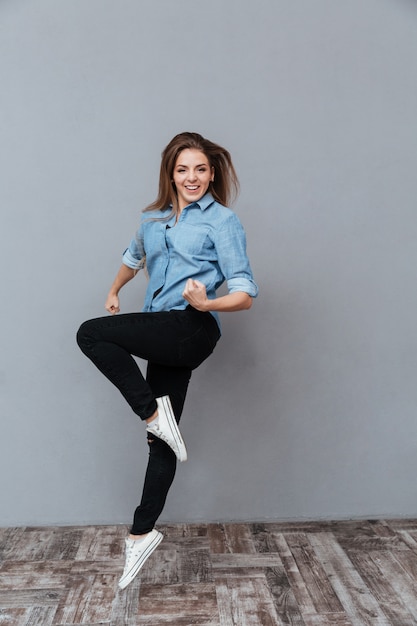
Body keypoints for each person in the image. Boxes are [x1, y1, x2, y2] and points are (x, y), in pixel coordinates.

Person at [76, 131, 258, 589]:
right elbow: (132, 256)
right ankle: (141, 534)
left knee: (90, 333)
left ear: (211, 172)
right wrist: (116, 288)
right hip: (164, 332)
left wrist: (207, 304)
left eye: (200, 169)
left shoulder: (222, 221)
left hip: (191, 328)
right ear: (170, 174)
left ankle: (153, 413)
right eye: (182, 170)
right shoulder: (152, 219)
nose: (191, 177)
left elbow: (245, 293)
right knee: (162, 444)